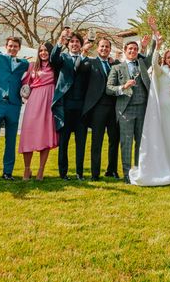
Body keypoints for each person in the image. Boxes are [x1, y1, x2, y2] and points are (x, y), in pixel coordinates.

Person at [130, 24, 170, 186]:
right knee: (164, 143)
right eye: (168, 57)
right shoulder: (161, 71)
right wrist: (158, 44)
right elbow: (153, 64)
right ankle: (164, 171)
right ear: (165, 59)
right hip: (163, 114)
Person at [0, 3, 29, 183]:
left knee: (11, 140)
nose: (12, 48)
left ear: (19, 48)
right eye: (10, 45)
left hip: (14, 104)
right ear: (6, 46)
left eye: (15, 46)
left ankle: (7, 172)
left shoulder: (24, 63)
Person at [106, 39, 154, 184]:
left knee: (141, 142)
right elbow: (109, 88)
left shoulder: (142, 64)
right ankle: (127, 175)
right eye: (130, 49)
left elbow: (152, 55)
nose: (133, 51)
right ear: (125, 51)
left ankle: (139, 172)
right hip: (125, 110)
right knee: (126, 143)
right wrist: (123, 87)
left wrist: (153, 38)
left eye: (135, 49)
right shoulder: (117, 68)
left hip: (142, 108)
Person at [50, 29, 90, 180]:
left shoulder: (87, 60)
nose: (74, 44)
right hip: (65, 106)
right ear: (68, 44)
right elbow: (53, 58)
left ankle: (80, 173)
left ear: (81, 45)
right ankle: (63, 173)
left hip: (81, 107)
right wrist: (60, 40)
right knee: (64, 142)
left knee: (81, 142)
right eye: (72, 42)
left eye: (77, 42)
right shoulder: (63, 58)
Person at [81, 37, 120, 180]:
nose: (104, 49)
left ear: (110, 49)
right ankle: (95, 173)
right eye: (102, 46)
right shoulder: (90, 63)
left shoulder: (115, 64)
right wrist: (84, 51)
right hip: (98, 108)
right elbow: (79, 67)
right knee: (97, 141)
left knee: (114, 140)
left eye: (107, 47)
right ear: (98, 48)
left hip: (114, 107)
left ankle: (112, 170)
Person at [19, 42, 58, 181]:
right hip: (34, 102)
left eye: (46, 50)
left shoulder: (55, 67)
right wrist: (24, 94)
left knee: (45, 135)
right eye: (41, 50)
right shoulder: (32, 66)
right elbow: (24, 83)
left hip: (49, 103)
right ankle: (27, 169)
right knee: (28, 134)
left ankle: (41, 170)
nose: (43, 53)